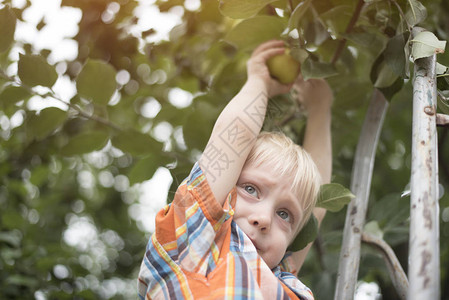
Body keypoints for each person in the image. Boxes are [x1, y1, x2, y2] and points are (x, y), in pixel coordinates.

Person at [137, 40, 333, 299]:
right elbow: (234, 137)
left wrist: (320, 107)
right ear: (226, 181)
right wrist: (259, 81)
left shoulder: (278, 277)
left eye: (285, 215)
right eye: (251, 189)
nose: (263, 219)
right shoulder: (194, 242)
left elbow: (314, 206)